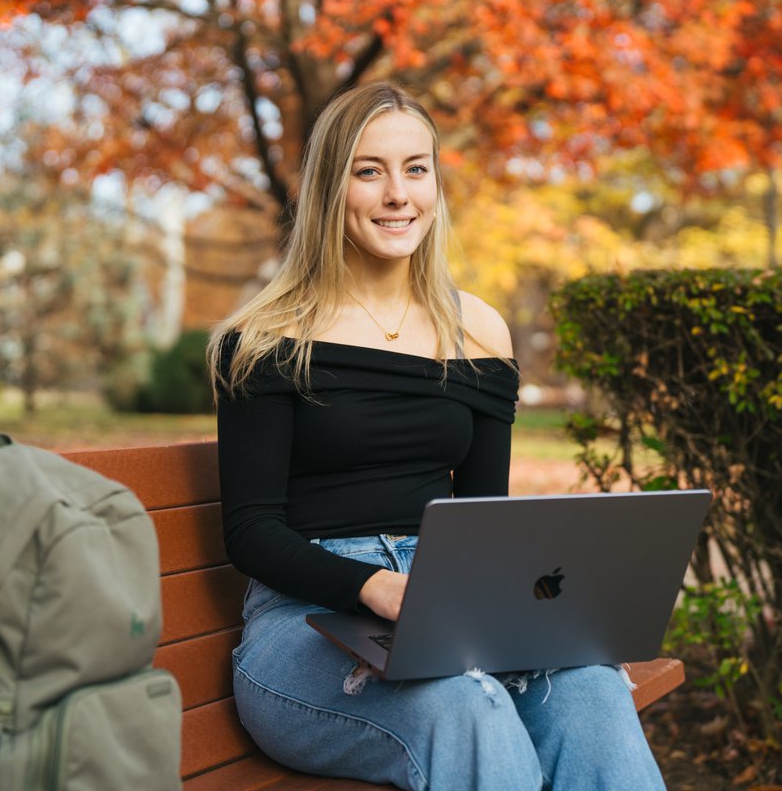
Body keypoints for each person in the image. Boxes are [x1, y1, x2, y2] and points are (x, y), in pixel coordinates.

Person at [206, 82, 665, 791]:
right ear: (332, 187)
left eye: (416, 168)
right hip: (308, 625)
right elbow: (251, 532)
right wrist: (377, 587)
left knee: (592, 692)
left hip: (454, 607)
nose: (398, 194)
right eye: (370, 170)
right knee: (463, 707)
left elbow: (484, 517)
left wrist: (558, 623)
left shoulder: (476, 330)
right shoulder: (267, 338)